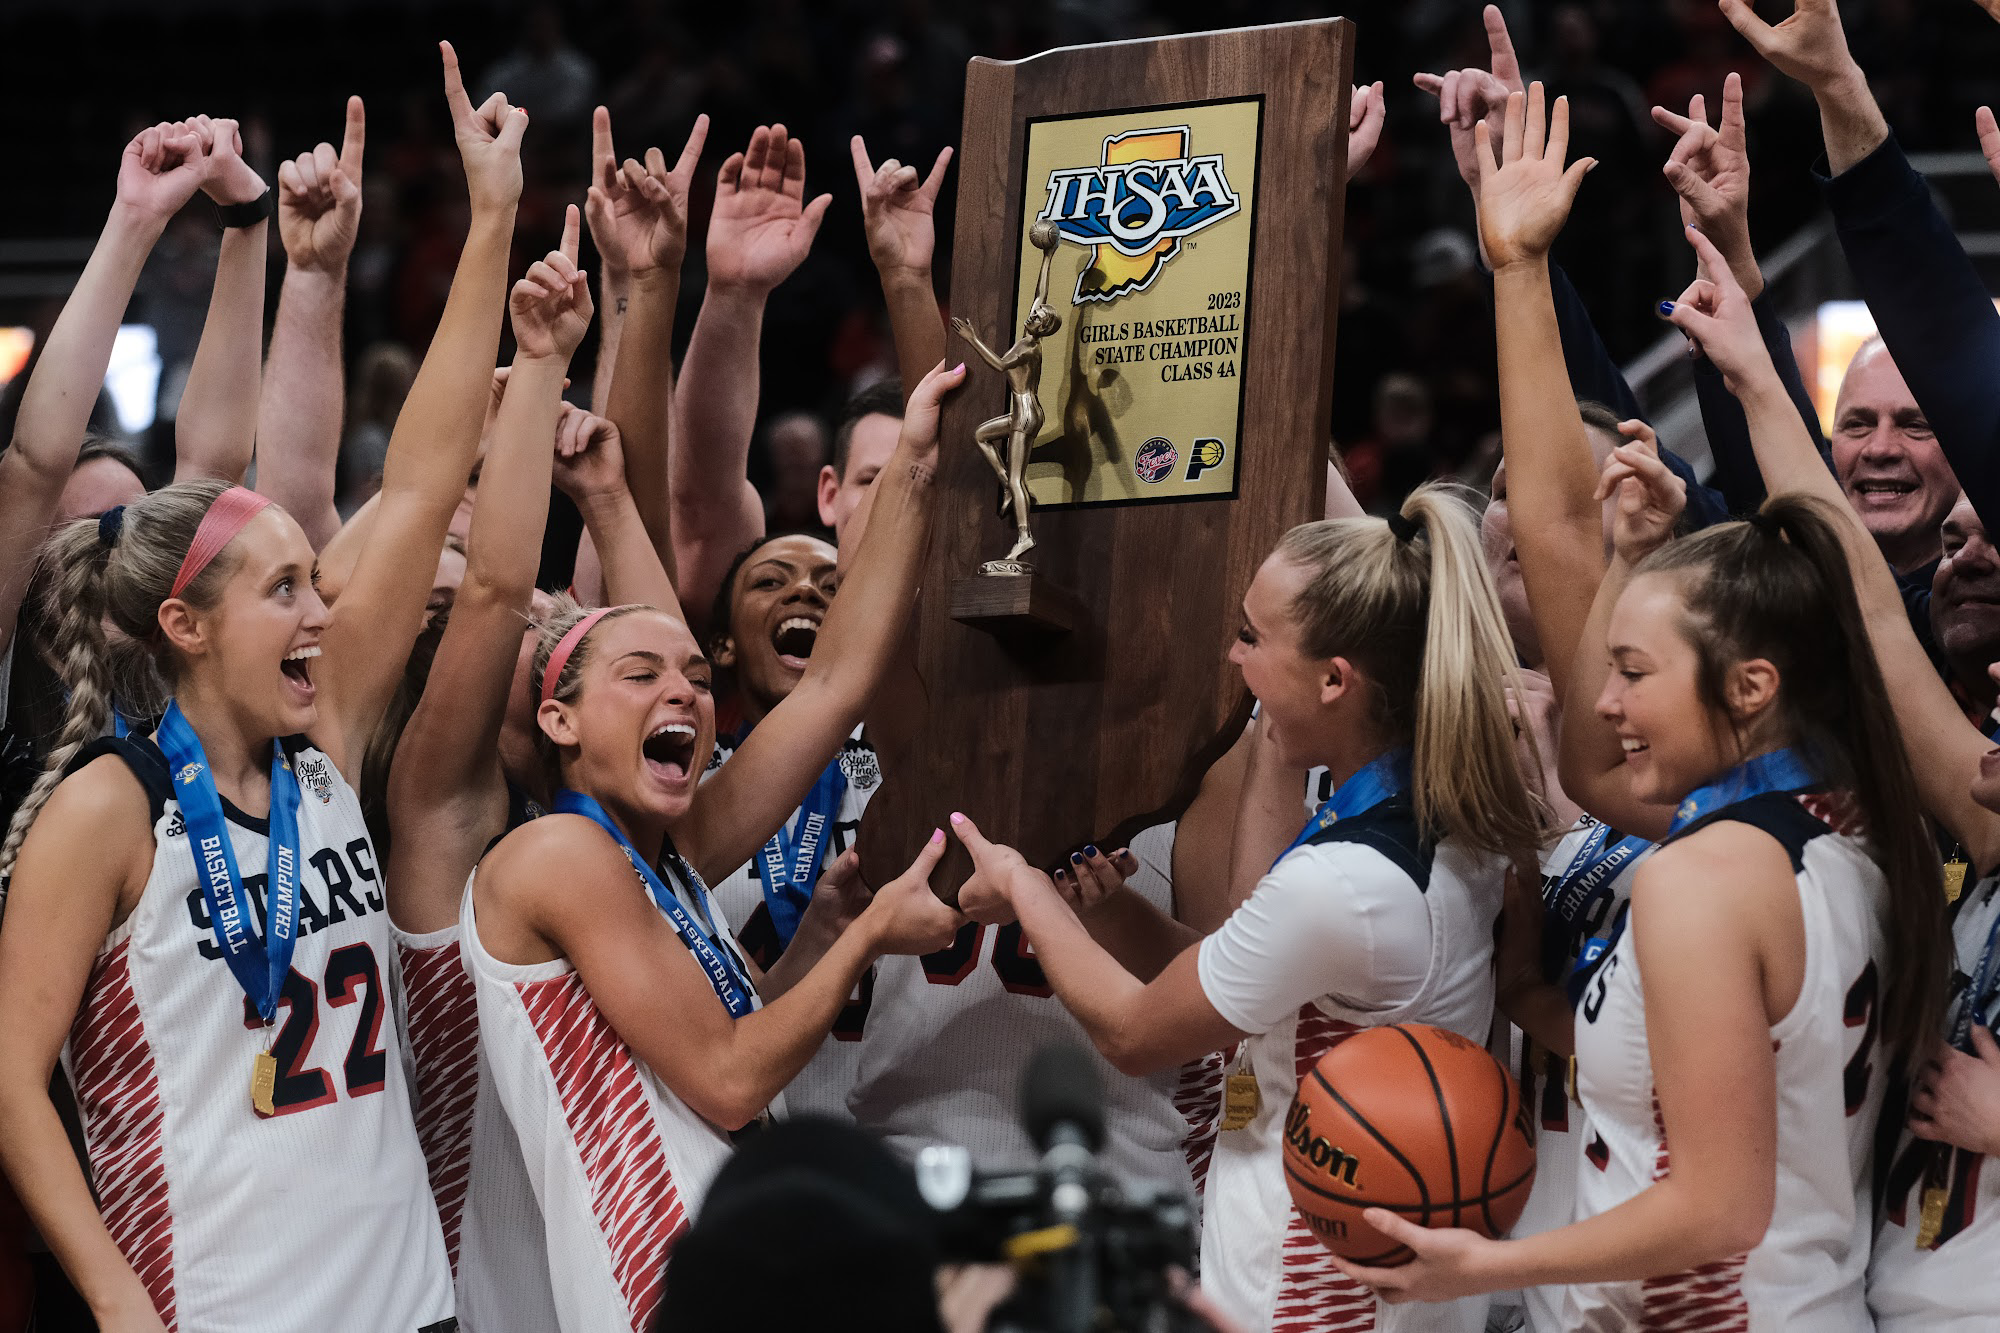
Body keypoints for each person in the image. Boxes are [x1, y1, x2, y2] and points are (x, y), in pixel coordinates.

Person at [1328, 114, 1947, 1323]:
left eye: (1632, 672)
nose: (1599, 701)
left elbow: (1716, 1206)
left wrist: (1477, 1266)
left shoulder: (1702, 876)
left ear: (1748, 686)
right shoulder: (1843, 825)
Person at [0, 42, 526, 1329]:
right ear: (182, 624)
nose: (321, 607)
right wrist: (116, 1302)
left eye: (313, 578)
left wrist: (493, 218)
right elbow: (8, 1080)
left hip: (409, 1305)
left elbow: (418, 480)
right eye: (283, 587)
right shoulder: (106, 809)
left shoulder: (323, 749)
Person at [948, 475, 1541, 1332]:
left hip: (1315, 1302)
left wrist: (1021, 885)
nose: (1235, 660)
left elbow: (1136, 1032)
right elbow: (1248, 979)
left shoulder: (1345, 883)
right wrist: (1115, 915)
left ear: (1336, 680)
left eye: (1249, 637)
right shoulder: (1434, 815)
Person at [460, 357, 966, 1333]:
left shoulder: (667, 855)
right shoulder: (555, 856)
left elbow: (835, 682)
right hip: (647, 1287)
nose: (681, 693)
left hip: (728, 1262)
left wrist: (910, 465)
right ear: (559, 722)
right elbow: (730, 1076)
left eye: (693, 675)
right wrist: (867, 944)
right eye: (641, 674)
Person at [1647, 212, 1997, 1333]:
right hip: (1882, 1286)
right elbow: (1850, 593)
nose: (1969, 558)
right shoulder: (1977, 807)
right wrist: (1749, 373)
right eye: (1957, 547)